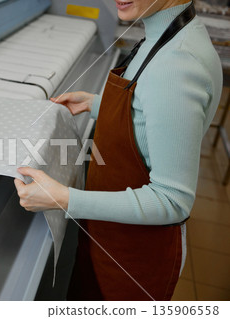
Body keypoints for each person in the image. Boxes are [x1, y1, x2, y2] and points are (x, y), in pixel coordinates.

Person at [14, 0, 223, 300]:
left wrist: (63, 198)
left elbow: (172, 200)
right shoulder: (168, 32)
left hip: (132, 260)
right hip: (112, 238)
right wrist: (97, 104)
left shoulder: (177, 65)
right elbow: (150, 111)